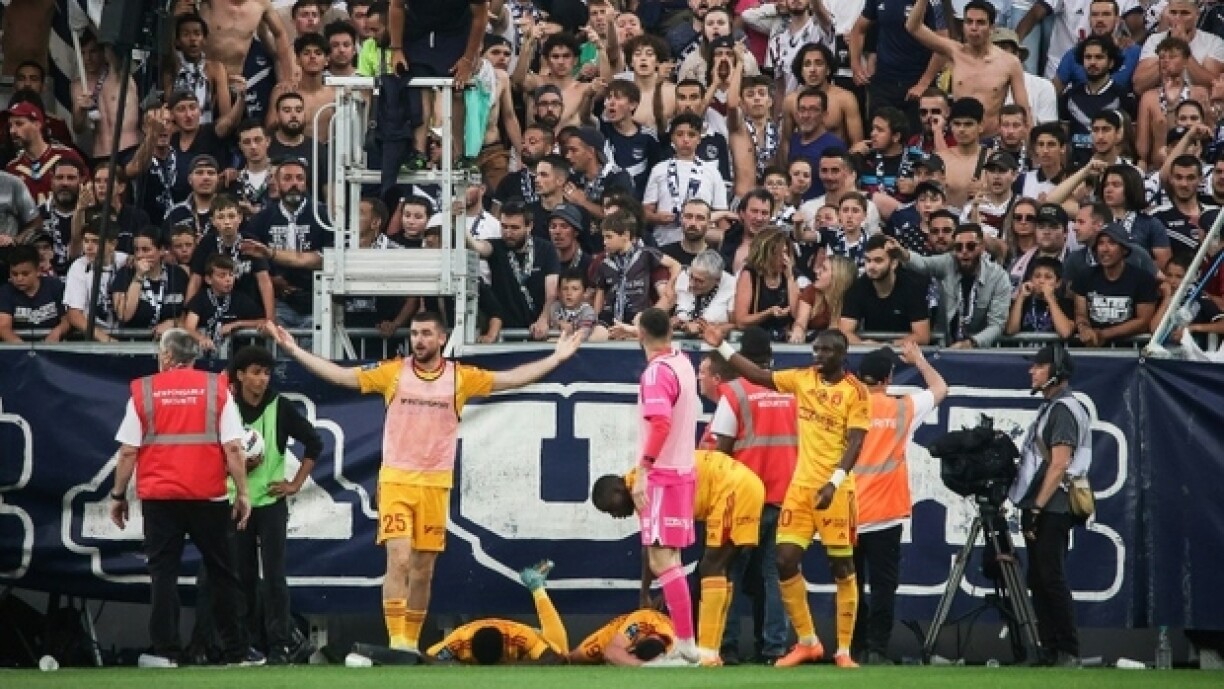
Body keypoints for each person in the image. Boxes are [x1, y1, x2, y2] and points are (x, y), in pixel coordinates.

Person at [265, 312, 581, 657]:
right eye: (415, 333)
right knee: (398, 559)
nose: (419, 339)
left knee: (423, 569)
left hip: (435, 483)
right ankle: (397, 640)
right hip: (397, 480)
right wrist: (295, 351)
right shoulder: (393, 372)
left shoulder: (460, 377)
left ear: (442, 339)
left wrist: (556, 357)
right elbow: (342, 377)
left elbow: (511, 379)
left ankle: (410, 643)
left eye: (426, 333)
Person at [701, 326, 869, 668]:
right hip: (797, 489)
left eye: (825, 351)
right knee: (783, 562)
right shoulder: (802, 379)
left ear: (842, 355)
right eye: (816, 350)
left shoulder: (856, 391)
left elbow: (855, 442)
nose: (818, 356)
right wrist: (722, 348)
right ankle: (807, 642)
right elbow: (760, 376)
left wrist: (834, 482)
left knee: (842, 566)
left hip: (834, 490)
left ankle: (844, 651)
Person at [108, 328, 255, 668]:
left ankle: (166, 653)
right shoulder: (216, 389)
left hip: (160, 497)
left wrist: (118, 495)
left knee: (163, 573)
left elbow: (129, 452)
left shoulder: (143, 390)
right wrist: (243, 492)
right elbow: (233, 447)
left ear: (168, 357)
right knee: (222, 572)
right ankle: (236, 651)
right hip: (208, 495)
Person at [592, 447, 766, 666]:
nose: (615, 516)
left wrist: (663, 587)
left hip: (731, 488)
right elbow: (652, 546)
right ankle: (712, 652)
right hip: (737, 484)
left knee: (711, 568)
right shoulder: (639, 484)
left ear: (619, 488)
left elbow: (656, 551)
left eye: (612, 508)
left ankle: (708, 652)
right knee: (719, 569)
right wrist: (653, 590)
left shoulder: (644, 488)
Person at [699, 327, 796, 665]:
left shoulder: (735, 393)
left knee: (727, 573)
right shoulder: (790, 392)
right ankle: (775, 649)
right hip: (784, 495)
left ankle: (725, 647)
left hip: (742, 499)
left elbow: (720, 453)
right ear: (771, 355)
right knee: (775, 576)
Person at [851, 342, 946, 665]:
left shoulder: (844, 407)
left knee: (849, 585)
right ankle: (876, 650)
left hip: (846, 513)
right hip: (884, 515)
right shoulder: (902, 409)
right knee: (882, 587)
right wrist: (919, 360)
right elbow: (940, 388)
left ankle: (851, 649)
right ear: (888, 377)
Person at [227, 345, 323, 664]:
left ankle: (280, 645)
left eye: (267, 373)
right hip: (235, 504)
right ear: (240, 376)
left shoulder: (279, 407)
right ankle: (244, 646)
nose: (262, 379)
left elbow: (315, 442)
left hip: (270, 504)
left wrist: (294, 484)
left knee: (275, 576)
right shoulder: (227, 410)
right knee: (240, 576)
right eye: (255, 372)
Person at [625, 307, 703, 664]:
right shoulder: (681, 361)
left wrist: (642, 471)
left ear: (642, 334)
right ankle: (686, 644)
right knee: (670, 558)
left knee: (661, 560)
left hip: (662, 475)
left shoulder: (655, 373)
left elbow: (660, 424)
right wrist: (636, 331)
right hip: (684, 470)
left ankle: (686, 644)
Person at [1008, 343, 1092, 667]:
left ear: (1055, 372)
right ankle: (1051, 648)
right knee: (1040, 578)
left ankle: (1067, 649)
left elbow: (1059, 464)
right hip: (1046, 503)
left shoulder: (1062, 410)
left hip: (1054, 505)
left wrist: (1037, 507)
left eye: (1038, 366)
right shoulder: (1054, 407)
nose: (1032, 371)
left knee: (1050, 576)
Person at [905, 0, 1030, 136]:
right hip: (958, 138)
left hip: (992, 139)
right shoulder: (954, 51)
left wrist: (1030, 146)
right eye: (969, 22)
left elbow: (1023, 110)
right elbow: (913, 27)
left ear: (992, 27)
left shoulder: (1009, 62)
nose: (974, 27)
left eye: (980, 22)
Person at [422, 561, 568, 665]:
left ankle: (537, 587)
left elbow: (555, 658)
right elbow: (428, 657)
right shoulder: (460, 638)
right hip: (479, 634)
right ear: (470, 647)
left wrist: (512, 666)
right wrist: (457, 666)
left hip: (534, 637)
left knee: (562, 651)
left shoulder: (519, 635)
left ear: (504, 646)